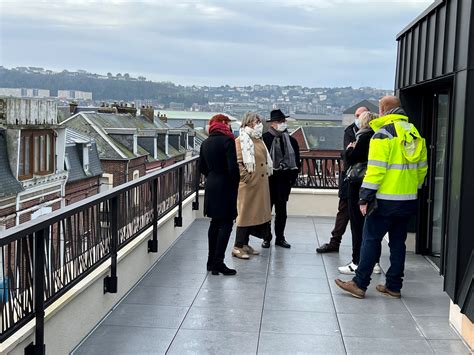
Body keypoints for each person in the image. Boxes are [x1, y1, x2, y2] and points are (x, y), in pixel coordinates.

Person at [335, 96, 428, 299]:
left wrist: (364, 198)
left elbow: (376, 171)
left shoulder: (383, 135)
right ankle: (394, 286)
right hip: (408, 199)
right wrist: (413, 189)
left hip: (385, 200)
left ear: (384, 110)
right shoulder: (414, 133)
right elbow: (422, 169)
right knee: (397, 243)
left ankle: (359, 284)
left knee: (370, 239)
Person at [317, 107, 368, 253]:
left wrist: (350, 151)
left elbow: (352, 153)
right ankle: (335, 241)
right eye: (356, 115)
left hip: (363, 179)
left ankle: (360, 249)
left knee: (360, 218)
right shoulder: (350, 131)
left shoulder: (369, 134)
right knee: (343, 211)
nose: (358, 118)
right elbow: (348, 155)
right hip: (349, 178)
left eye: (360, 115)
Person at [338, 111, 381, 275]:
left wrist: (349, 149)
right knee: (371, 227)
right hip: (372, 186)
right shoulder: (378, 137)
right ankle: (374, 262)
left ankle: (357, 261)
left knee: (357, 226)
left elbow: (352, 158)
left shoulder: (363, 138)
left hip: (358, 185)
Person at [199, 114, 240, 275]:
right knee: (226, 224)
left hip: (211, 184)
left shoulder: (205, 142)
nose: (230, 126)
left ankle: (210, 262)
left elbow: (201, 167)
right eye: (228, 123)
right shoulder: (227, 141)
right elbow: (232, 168)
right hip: (225, 185)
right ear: (223, 123)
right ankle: (218, 262)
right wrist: (236, 183)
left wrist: (212, 175)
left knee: (214, 223)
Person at [232, 112, 273, 259]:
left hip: (260, 184)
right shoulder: (240, 140)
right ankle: (237, 246)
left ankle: (245, 244)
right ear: (248, 123)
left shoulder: (258, 139)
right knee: (244, 215)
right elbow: (239, 162)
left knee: (253, 215)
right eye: (256, 122)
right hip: (249, 185)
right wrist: (247, 178)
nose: (259, 124)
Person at [262, 109, 300, 249]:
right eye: (280, 121)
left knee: (281, 212)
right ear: (272, 123)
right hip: (269, 181)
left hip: (284, 181)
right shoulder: (265, 139)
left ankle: (280, 237)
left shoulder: (291, 140)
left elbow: (297, 161)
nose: (283, 124)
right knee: (267, 211)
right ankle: (266, 237)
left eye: (283, 121)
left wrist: (291, 180)